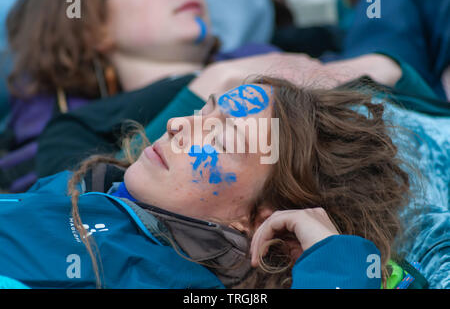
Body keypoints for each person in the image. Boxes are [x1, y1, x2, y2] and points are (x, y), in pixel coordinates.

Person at [0, 77, 419, 289]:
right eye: (204, 112)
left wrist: (335, 261)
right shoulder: (86, 186)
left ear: (259, 219)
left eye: (221, 138)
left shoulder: (175, 283)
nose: (179, 124)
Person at [1, 0, 217, 192]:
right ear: (94, 30)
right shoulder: (75, 129)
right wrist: (203, 91)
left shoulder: (248, 57)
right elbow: (82, 205)